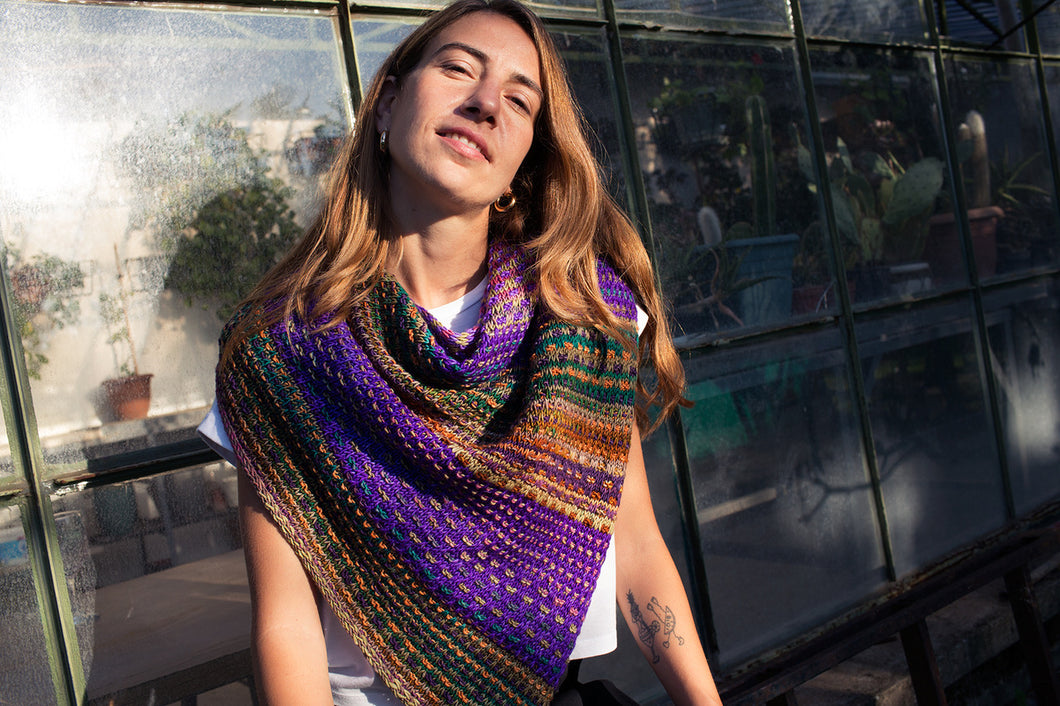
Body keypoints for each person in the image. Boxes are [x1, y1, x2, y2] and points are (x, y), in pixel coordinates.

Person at [198, 0, 723, 703]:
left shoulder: (581, 317)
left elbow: (634, 546)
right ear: (388, 103)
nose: (485, 104)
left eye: (519, 100)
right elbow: (285, 624)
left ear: (522, 162)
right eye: (456, 69)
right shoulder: (282, 354)